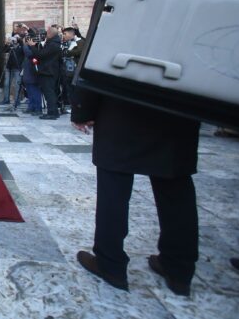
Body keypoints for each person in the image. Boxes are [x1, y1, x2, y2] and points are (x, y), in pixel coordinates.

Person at [72, 91, 200, 296]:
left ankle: (110, 263)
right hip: (179, 105)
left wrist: (82, 110)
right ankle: (179, 269)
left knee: (114, 183)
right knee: (174, 184)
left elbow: (97, 62)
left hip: (122, 102)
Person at [26, 26, 61, 119]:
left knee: (49, 93)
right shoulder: (53, 43)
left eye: (47, 32)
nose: (45, 34)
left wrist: (32, 46)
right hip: (48, 71)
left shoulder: (53, 44)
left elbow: (41, 55)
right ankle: (54, 112)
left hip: (48, 71)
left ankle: (52, 113)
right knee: (49, 93)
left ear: (50, 34)